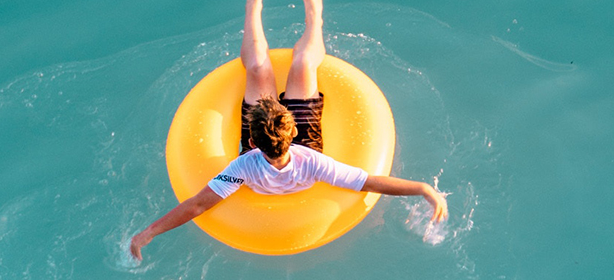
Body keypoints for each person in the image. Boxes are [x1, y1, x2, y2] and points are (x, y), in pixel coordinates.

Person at [129, 0, 448, 260]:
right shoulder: (313, 162)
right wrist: (423, 189)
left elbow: (198, 204)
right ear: (291, 130)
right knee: (304, 63)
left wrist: (150, 232)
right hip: (306, 143)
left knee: (257, 67)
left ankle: (255, 9)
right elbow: (367, 182)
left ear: (250, 140)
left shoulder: (243, 165)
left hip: (275, 142)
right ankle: (313, 18)